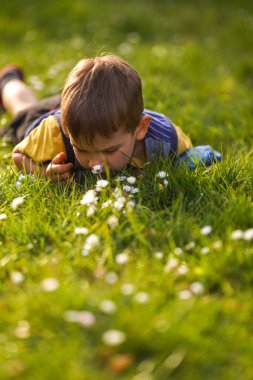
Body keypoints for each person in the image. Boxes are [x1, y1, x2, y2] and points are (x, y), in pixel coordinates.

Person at [0, 55, 221, 182]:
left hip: (87, 111)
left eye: (109, 150)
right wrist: (43, 172)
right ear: (68, 131)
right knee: (23, 106)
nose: (95, 164)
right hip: (54, 115)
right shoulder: (54, 133)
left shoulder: (166, 139)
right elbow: (18, 156)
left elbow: (186, 155)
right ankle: (7, 81)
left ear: (140, 128)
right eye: (83, 149)